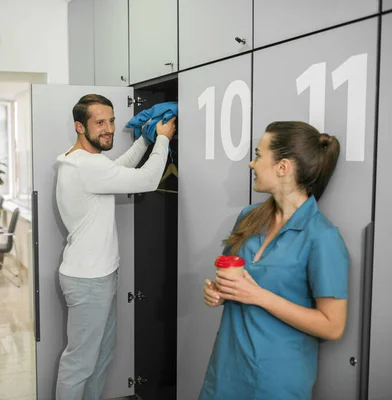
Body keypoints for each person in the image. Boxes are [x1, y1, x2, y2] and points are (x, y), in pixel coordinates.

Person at [200, 121, 350, 399]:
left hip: (275, 380)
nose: (251, 164)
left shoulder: (322, 237)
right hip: (226, 368)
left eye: (258, 155)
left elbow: (333, 325)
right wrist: (219, 294)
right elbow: (232, 277)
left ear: (283, 168)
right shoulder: (249, 216)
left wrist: (258, 296)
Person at [54, 94, 176, 400]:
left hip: (100, 275)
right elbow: (147, 179)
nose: (109, 128)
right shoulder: (86, 166)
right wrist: (162, 139)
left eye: (111, 120)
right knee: (79, 363)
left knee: (101, 356)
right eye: (100, 123)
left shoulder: (85, 161)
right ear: (79, 127)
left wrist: (144, 142)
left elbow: (117, 169)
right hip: (88, 280)